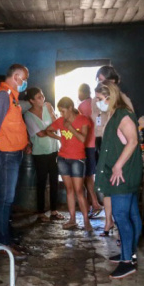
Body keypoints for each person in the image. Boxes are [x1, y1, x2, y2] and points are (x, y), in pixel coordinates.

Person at [94, 81, 143, 279]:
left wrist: (117, 165)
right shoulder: (115, 114)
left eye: (99, 99)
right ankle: (128, 253)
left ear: (109, 97)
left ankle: (127, 262)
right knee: (131, 214)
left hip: (122, 173)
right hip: (122, 172)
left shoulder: (123, 115)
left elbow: (133, 141)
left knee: (122, 216)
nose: (98, 103)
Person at [0, 65, 30, 254]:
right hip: (6, 154)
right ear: (16, 77)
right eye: (24, 78)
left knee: (7, 199)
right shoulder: (2, 95)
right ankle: (3, 244)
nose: (25, 82)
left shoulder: (10, 95)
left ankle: (6, 237)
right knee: (4, 200)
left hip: (13, 153)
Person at [92, 66, 134, 235]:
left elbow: (131, 137)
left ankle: (118, 224)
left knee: (117, 186)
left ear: (114, 82)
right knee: (106, 185)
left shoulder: (123, 102)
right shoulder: (99, 99)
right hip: (102, 143)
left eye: (104, 80)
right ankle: (109, 220)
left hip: (118, 146)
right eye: (99, 80)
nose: (101, 83)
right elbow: (95, 121)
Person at [44, 97, 94, 231]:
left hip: (78, 159)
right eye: (60, 112)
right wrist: (59, 137)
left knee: (79, 191)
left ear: (71, 108)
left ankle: (86, 221)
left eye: (63, 111)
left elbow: (83, 138)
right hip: (63, 159)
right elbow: (47, 130)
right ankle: (72, 219)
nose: (61, 114)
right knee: (69, 190)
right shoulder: (61, 121)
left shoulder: (83, 119)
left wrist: (70, 128)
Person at [23, 87, 63, 221]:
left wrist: (52, 116)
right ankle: (40, 213)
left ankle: (54, 211)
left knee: (54, 181)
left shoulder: (48, 107)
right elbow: (39, 134)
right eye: (39, 97)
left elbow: (57, 125)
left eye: (42, 96)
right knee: (41, 181)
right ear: (31, 101)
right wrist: (51, 130)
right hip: (39, 153)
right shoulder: (28, 115)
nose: (42, 99)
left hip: (53, 149)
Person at [77, 84, 104, 218]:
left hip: (87, 144)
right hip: (98, 143)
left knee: (87, 176)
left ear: (83, 92)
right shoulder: (97, 103)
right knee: (91, 174)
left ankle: (95, 203)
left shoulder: (82, 106)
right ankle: (92, 204)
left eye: (79, 92)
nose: (78, 95)